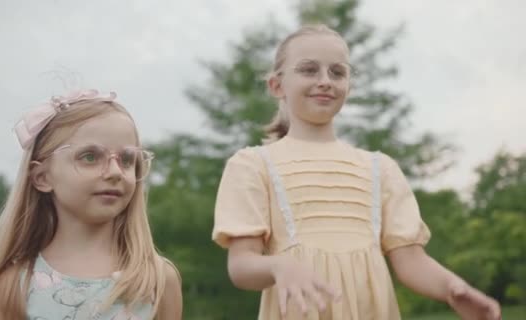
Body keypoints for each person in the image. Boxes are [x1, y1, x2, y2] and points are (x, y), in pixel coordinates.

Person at [212, 24, 501, 320]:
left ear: (349, 85)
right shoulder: (252, 164)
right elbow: (241, 266)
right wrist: (279, 266)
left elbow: (411, 261)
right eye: (309, 70)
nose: (325, 81)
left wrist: (454, 288)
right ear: (277, 85)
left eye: (337, 72)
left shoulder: (381, 168)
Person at [0, 89, 182, 320]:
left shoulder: (158, 281)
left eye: (127, 159)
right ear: (42, 177)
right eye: (90, 157)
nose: (114, 172)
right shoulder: (12, 286)